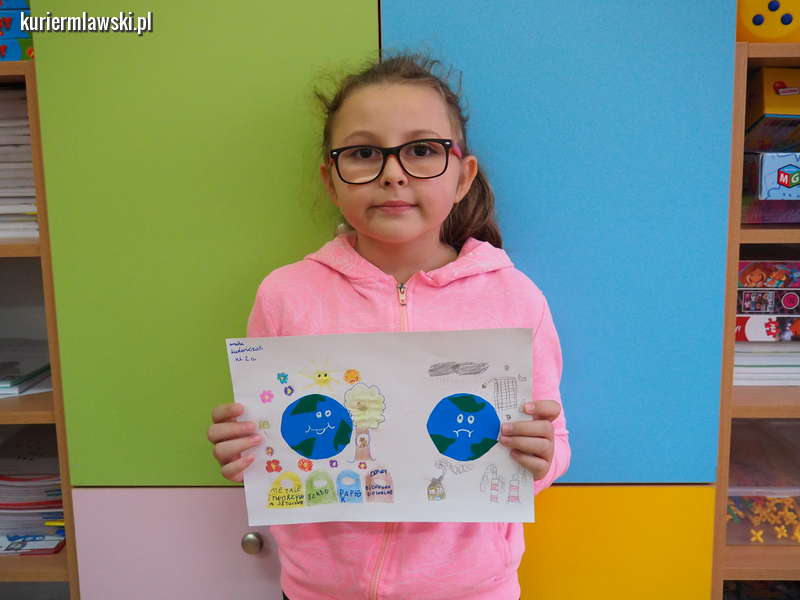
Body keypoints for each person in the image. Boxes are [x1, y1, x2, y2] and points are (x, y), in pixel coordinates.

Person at [207, 53, 570, 600]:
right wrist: (246, 449)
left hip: (472, 589)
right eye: (363, 154)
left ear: (463, 176)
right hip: (318, 589)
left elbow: (553, 443)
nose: (393, 173)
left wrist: (539, 459)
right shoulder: (285, 295)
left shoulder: (514, 298)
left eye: (422, 150)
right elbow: (276, 438)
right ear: (331, 180)